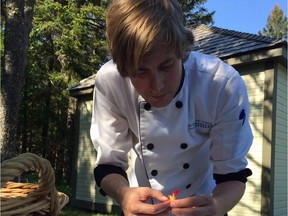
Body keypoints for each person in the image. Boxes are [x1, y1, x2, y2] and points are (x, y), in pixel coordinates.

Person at [90, 0, 253, 215]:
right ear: (123, 68)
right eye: (140, 72)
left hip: (205, 206)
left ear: (182, 51)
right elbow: (108, 165)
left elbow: (233, 176)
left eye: (166, 66)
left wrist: (217, 206)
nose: (157, 85)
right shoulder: (110, 82)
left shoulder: (221, 85)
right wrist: (123, 194)